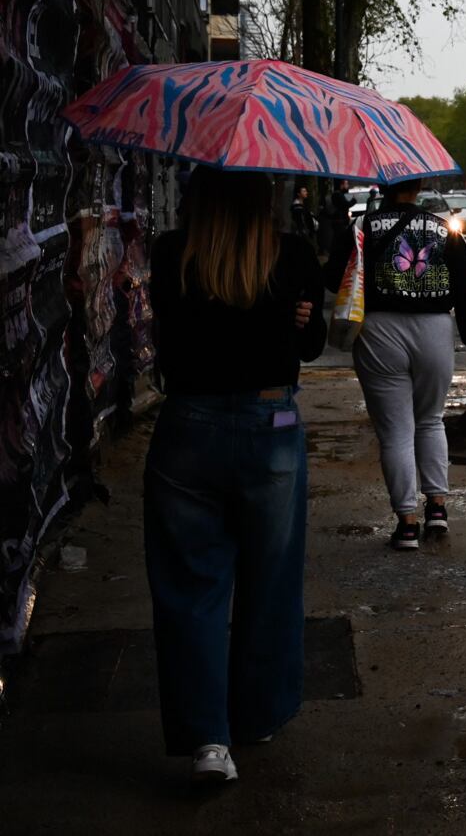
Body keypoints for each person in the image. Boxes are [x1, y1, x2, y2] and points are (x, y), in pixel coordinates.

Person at [146, 167, 326, 783]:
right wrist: (299, 318)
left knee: (190, 584)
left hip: (187, 427)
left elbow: (169, 338)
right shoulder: (293, 254)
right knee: (270, 579)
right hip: (269, 423)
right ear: (264, 196)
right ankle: (257, 715)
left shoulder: (172, 254)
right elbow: (310, 349)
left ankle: (207, 740)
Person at [334, 177, 466, 550]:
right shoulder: (442, 228)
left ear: (383, 187)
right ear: (418, 187)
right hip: (435, 328)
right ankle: (437, 507)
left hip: (379, 330)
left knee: (396, 432)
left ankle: (406, 523)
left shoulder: (364, 227)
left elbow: (332, 279)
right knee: (430, 419)